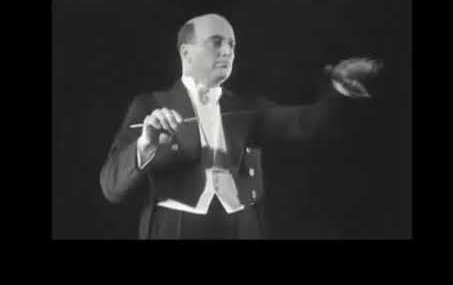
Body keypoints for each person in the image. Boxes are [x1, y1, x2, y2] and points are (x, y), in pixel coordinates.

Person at [100, 13, 382, 239]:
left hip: (244, 227)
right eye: (216, 42)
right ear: (186, 53)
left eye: (232, 45)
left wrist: (339, 90)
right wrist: (144, 146)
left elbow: (305, 123)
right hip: (175, 228)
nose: (227, 52)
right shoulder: (149, 105)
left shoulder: (247, 107)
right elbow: (111, 187)